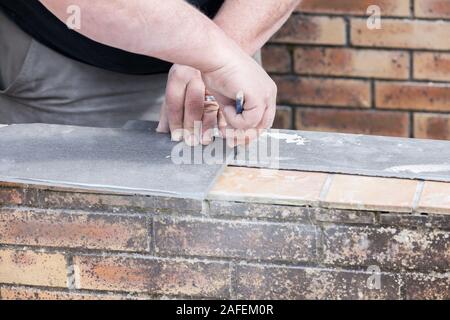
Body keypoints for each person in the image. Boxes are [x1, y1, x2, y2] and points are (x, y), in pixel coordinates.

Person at [0, 0, 300, 145]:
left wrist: (225, 49)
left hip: (228, 42)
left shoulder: (221, 56)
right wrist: (215, 55)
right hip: (56, 56)